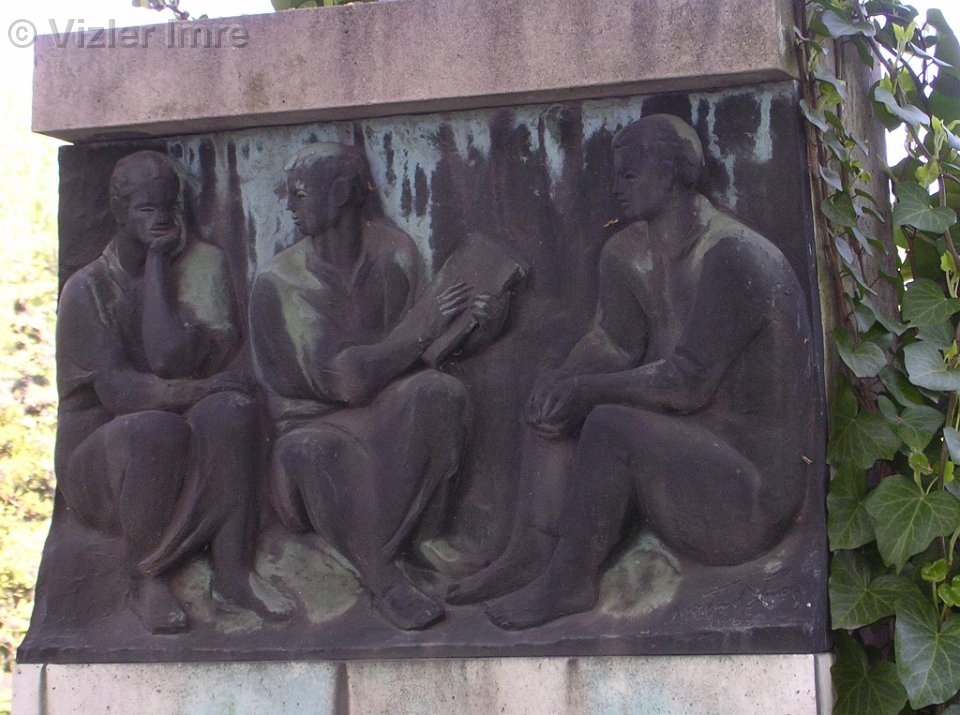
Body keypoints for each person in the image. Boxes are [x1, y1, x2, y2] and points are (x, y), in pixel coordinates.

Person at [459, 115, 816, 629]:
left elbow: (688, 382)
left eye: (628, 175)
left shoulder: (733, 256)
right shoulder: (626, 252)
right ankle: (529, 553)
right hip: (684, 458)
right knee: (557, 398)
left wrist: (586, 391)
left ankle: (569, 583)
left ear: (669, 175)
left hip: (745, 496)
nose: (615, 189)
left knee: (607, 423)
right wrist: (564, 381)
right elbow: (614, 342)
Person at [249, 142, 507, 630]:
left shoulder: (396, 253)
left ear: (341, 193)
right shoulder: (279, 282)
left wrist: (479, 328)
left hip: (385, 413)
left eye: (299, 193)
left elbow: (424, 355)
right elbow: (348, 380)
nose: (289, 205)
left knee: (439, 392)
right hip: (310, 430)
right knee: (315, 452)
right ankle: (384, 580)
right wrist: (425, 326)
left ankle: (424, 536)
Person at [55, 150, 293, 634]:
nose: (161, 219)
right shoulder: (87, 290)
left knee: (233, 411)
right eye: (147, 209)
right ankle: (148, 578)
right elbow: (122, 394)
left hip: (177, 429)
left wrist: (159, 270)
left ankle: (233, 573)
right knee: (154, 430)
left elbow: (171, 355)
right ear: (119, 212)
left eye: (169, 207)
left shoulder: (202, 266)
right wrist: (158, 264)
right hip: (99, 467)